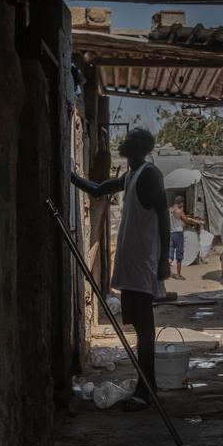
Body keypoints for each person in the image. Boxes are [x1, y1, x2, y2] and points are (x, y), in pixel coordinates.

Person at [71, 129, 169, 412]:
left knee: (144, 328)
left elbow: (163, 214)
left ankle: (146, 389)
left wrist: (164, 261)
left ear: (137, 146)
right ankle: (145, 384)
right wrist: (72, 176)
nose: (121, 142)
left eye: (128, 139)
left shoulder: (150, 175)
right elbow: (100, 189)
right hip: (132, 264)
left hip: (143, 264)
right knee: (139, 326)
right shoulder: (131, 176)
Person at [168, 195, 204, 279]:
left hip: (170, 234)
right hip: (178, 234)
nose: (183, 205)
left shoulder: (169, 210)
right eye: (182, 203)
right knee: (179, 255)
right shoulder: (179, 211)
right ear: (179, 203)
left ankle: (168, 272)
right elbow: (186, 220)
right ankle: (178, 274)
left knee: (170, 255)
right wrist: (196, 222)